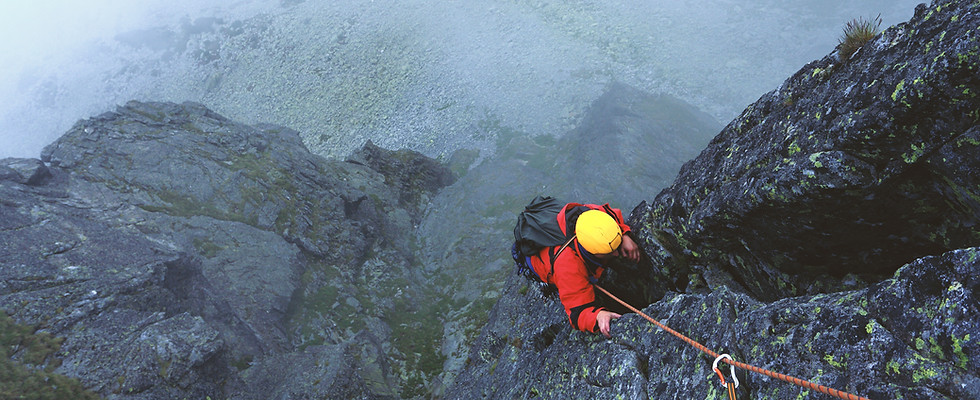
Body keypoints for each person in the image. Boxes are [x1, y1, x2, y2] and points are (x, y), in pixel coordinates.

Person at [522, 202, 640, 338]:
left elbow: (611, 213)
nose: (616, 254)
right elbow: (577, 313)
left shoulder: (594, 217)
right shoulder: (568, 266)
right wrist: (598, 316)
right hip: (542, 264)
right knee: (567, 285)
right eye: (609, 251)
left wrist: (624, 234)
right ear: (590, 251)